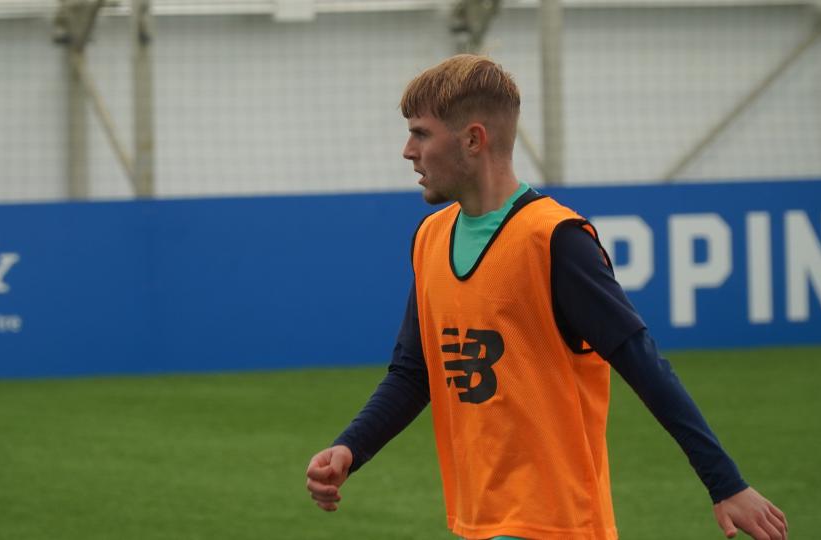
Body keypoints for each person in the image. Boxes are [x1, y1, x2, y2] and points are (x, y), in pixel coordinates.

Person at [306, 54, 788, 540]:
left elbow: (642, 362)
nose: (408, 150)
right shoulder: (431, 237)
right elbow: (415, 372)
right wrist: (352, 447)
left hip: (556, 522)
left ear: (473, 139)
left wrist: (725, 483)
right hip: (481, 519)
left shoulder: (554, 238)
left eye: (421, 133)